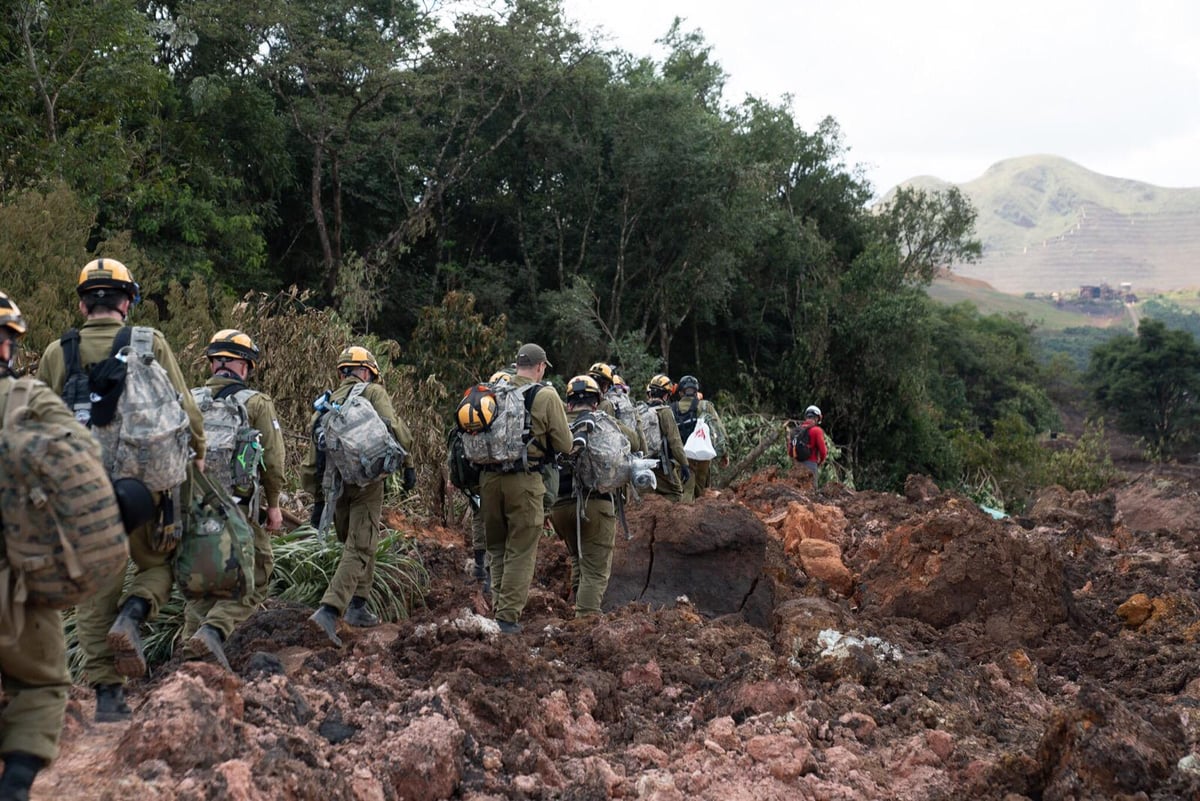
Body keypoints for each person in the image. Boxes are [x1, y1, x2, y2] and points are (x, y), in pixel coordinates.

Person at [37, 258, 205, 722]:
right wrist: (199, 452)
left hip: (87, 495)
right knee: (161, 567)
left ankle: (109, 698)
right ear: (128, 302)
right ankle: (135, 611)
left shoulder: (58, 352)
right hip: (148, 488)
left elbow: (39, 426)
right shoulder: (152, 343)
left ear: (82, 303)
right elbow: (184, 408)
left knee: (95, 593)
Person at [0, 292, 81, 798]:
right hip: (16, 574)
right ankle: (16, 785)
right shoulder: (29, 398)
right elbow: (81, 466)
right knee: (42, 682)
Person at [181, 330, 286, 670]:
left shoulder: (188, 399)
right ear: (245, 366)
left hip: (190, 508)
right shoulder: (256, 402)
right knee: (257, 573)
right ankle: (212, 632)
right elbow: (273, 460)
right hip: (237, 509)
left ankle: (186, 662)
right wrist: (273, 506)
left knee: (201, 582)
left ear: (213, 363)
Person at [302, 346, 414, 647]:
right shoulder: (374, 393)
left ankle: (359, 605)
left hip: (335, 485)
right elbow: (393, 427)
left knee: (360, 542)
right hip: (367, 482)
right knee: (360, 545)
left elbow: (314, 458)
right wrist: (408, 463)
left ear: (341, 373)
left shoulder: (325, 404)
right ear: (368, 372)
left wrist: (317, 500)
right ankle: (329, 610)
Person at [479, 344, 573, 633]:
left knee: (496, 548)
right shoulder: (545, 395)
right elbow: (565, 445)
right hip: (525, 480)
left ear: (516, 365)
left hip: (488, 481)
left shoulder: (492, 392)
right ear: (541, 367)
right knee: (520, 550)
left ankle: (498, 609)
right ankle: (506, 619)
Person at [550, 375, 637, 617]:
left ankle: (576, 606)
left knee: (578, 559)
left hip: (559, 507)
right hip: (594, 506)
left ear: (568, 404)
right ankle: (585, 619)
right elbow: (637, 440)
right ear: (596, 403)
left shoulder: (555, 423)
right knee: (596, 571)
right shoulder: (602, 420)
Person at [671, 375, 728, 501]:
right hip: (703, 456)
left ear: (680, 392)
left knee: (686, 489)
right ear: (696, 391)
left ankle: (685, 513)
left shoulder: (672, 409)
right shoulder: (704, 406)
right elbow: (719, 430)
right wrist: (724, 453)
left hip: (682, 455)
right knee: (702, 490)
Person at [643, 374, 688, 502]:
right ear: (666, 395)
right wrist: (684, 464)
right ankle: (668, 520)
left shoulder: (640, 410)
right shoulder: (665, 411)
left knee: (647, 496)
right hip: (662, 464)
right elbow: (675, 441)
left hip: (643, 463)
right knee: (676, 492)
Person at [791, 405, 828, 489]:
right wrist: (821, 461)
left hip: (797, 466)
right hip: (811, 465)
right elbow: (823, 451)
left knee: (796, 492)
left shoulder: (795, 431)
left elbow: (790, 452)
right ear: (817, 418)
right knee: (811, 493)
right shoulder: (817, 431)